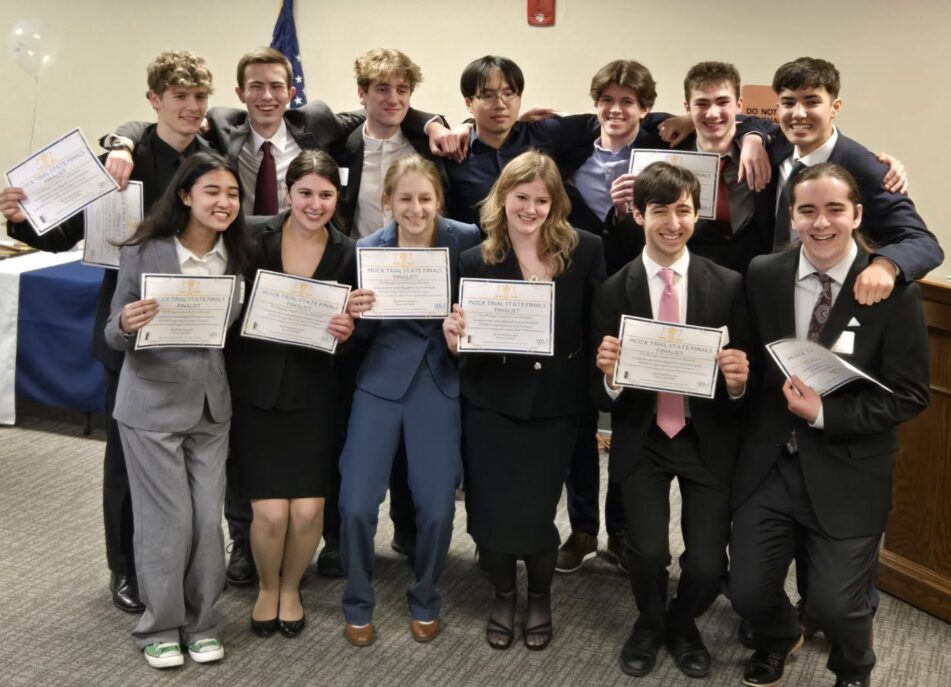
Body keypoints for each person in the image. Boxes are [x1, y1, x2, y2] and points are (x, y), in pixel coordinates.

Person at [0, 49, 214, 613]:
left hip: (195, 330)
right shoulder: (120, 161)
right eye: (179, 97)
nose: (191, 108)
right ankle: (125, 568)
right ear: (154, 100)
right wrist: (21, 219)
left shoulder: (213, 160)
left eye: (199, 97)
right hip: (129, 330)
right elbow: (60, 232)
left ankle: (179, 563)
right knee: (125, 459)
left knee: (189, 455)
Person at [730, 163, 929, 687]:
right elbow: (748, 360)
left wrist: (825, 414)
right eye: (808, 210)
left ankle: (853, 667)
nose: (821, 223)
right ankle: (779, 636)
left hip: (849, 466)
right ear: (792, 217)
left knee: (836, 605)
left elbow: (911, 396)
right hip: (771, 463)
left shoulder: (894, 292)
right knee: (746, 591)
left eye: (835, 209)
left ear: (857, 215)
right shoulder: (763, 274)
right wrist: (736, 380)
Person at [590, 162, 750, 679]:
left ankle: (681, 623)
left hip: (705, 437)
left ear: (697, 214)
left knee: (707, 563)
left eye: (684, 210)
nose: (673, 223)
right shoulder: (613, 289)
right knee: (647, 552)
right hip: (644, 437)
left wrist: (737, 381)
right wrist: (610, 377)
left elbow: (744, 386)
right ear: (638, 215)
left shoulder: (728, 285)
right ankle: (650, 622)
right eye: (660, 211)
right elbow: (597, 392)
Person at [443, 150, 606, 651]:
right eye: (521, 197)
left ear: (555, 204)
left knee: (536, 513)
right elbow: (466, 341)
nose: (530, 209)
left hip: (556, 406)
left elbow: (597, 330)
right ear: (502, 198)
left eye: (541, 200)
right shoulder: (475, 259)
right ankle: (503, 593)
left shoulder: (585, 250)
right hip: (491, 404)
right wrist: (456, 342)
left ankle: (539, 596)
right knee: (491, 511)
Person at [103, 151, 252, 668]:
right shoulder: (144, 249)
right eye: (212, 191)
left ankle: (202, 621)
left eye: (232, 193)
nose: (224, 202)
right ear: (186, 195)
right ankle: (161, 626)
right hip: (150, 406)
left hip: (211, 407)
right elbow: (112, 330)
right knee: (168, 523)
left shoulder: (238, 253)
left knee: (208, 521)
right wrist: (126, 323)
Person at [337, 154, 481, 647]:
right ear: (387, 202)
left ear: (438, 200)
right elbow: (357, 335)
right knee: (356, 504)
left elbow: (480, 308)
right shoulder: (367, 248)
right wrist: (355, 314)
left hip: (439, 380)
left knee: (438, 508)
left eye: (425, 198)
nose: (416, 209)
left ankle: (425, 596)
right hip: (380, 381)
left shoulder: (466, 239)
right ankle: (357, 600)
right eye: (405, 199)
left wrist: (465, 332)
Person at [225, 150, 357, 638]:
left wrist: (350, 330)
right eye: (305, 193)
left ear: (338, 198)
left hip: (316, 396)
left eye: (326, 194)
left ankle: (291, 586)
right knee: (269, 512)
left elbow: (358, 333)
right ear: (287, 192)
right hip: (255, 392)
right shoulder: (250, 236)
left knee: (306, 511)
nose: (315, 204)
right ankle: (266, 586)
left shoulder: (350, 253)